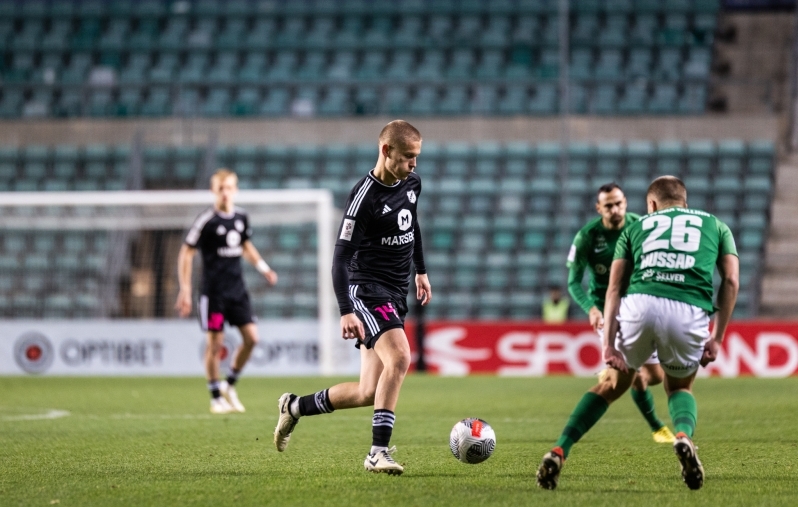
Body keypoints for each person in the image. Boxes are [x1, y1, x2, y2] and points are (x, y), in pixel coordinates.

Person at [538, 176, 738, 491]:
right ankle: (682, 436)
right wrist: (718, 338)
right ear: (684, 202)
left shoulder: (635, 228)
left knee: (610, 384)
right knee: (679, 387)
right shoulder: (716, 225)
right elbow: (730, 282)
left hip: (636, 307)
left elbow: (615, 287)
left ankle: (560, 449)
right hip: (688, 309)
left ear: (651, 206)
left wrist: (608, 346)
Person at [273, 120, 431, 475]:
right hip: (367, 289)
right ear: (386, 151)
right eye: (408, 157)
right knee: (401, 358)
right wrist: (346, 311)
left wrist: (420, 270)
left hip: (395, 292)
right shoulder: (364, 198)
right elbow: (340, 259)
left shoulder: (412, 183)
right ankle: (377, 452)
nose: (414, 165)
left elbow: (412, 224)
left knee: (366, 391)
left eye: (417, 157)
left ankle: (295, 407)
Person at [567, 183, 674, 444]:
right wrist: (591, 309)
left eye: (619, 203)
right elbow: (573, 282)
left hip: (638, 306)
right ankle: (658, 428)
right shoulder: (587, 236)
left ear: (625, 202)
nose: (615, 209)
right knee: (627, 378)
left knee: (655, 377)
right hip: (607, 310)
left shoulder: (641, 226)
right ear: (599, 208)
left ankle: (620, 375)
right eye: (608, 206)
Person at [175, 169, 278, 414]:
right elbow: (186, 252)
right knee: (215, 345)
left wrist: (264, 268)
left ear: (235, 190)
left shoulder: (241, 217)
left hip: (237, 291)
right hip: (214, 294)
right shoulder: (206, 220)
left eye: (229, 187)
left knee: (252, 339)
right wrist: (185, 289)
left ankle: (229, 385)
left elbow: (245, 246)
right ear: (213, 191)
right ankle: (215, 398)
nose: (225, 192)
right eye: (220, 188)